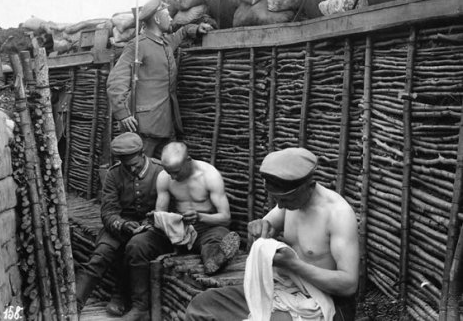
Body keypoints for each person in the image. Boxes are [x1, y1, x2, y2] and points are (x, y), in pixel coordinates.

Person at [185, 147, 360, 321]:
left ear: (309, 187)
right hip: (283, 289)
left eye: (285, 200)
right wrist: (259, 227)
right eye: (276, 200)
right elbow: (266, 225)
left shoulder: (338, 214)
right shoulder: (291, 203)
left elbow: (349, 285)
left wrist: (293, 265)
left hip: (327, 302)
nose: (281, 206)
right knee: (202, 305)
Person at [74, 132, 169, 321]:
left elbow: (168, 210)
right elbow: (108, 212)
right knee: (101, 255)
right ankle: (74, 305)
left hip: (152, 227)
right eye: (127, 166)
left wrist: (149, 224)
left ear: (143, 154)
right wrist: (123, 224)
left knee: (136, 246)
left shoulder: (160, 172)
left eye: (135, 164)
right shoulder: (114, 174)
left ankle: (127, 300)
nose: (132, 169)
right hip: (121, 225)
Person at [107, 0, 213, 158]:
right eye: (167, 15)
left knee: (170, 171)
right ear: (157, 18)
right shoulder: (138, 45)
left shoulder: (164, 43)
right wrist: (123, 112)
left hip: (166, 124)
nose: (171, 18)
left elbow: (181, 32)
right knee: (141, 174)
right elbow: (116, 79)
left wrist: (195, 29)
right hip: (144, 127)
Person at [154, 141, 240, 274]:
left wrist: (200, 216)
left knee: (217, 238)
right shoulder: (164, 177)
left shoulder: (209, 175)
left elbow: (226, 218)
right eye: (169, 172)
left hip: (206, 229)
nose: (173, 177)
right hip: (177, 230)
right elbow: (160, 213)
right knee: (143, 242)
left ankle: (214, 260)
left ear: (188, 160)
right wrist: (162, 220)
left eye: (176, 172)